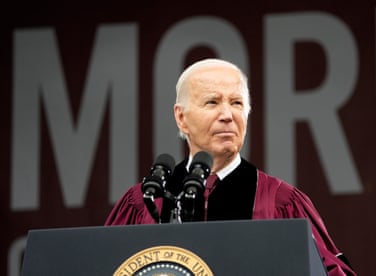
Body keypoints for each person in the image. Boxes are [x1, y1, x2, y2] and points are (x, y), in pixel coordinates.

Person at [105, 58, 356, 275]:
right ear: (181, 118)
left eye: (236, 103)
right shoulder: (143, 201)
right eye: (212, 102)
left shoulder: (281, 202)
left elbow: (331, 272)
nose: (228, 114)